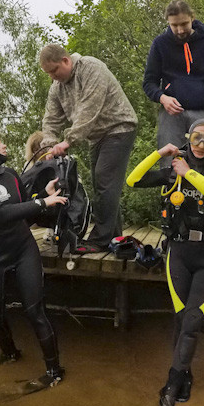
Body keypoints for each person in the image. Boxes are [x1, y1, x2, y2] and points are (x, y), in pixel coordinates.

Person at [126, 119, 204, 406]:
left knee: (193, 321)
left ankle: (172, 382)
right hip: (179, 252)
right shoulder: (173, 169)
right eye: (197, 139)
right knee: (180, 318)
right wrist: (159, 154)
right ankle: (183, 374)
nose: (201, 146)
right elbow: (133, 181)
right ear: (189, 139)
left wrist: (189, 173)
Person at [0, 130, 68, 387]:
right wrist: (43, 203)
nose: (4, 144)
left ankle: (54, 370)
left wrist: (43, 194)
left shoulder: (11, 175)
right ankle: (10, 353)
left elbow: (25, 211)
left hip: (23, 248)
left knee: (35, 311)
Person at [39, 43, 138, 253]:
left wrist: (68, 140)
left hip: (119, 128)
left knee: (104, 180)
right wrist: (48, 145)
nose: (52, 77)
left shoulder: (91, 68)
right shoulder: (57, 87)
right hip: (97, 137)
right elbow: (51, 119)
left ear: (66, 60)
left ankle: (100, 241)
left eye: (54, 70)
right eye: (48, 73)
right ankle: (116, 237)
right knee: (102, 185)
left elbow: (89, 108)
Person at [143, 0, 204, 169]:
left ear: (192, 17)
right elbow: (149, 83)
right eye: (174, 25)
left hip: (202, 112)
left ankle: (203, 196)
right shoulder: (160, 44)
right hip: (171, 114)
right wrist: (163, 98)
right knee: (169, 163)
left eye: (184, 23)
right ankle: (168, 196)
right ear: (168, 23)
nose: (180, 29)